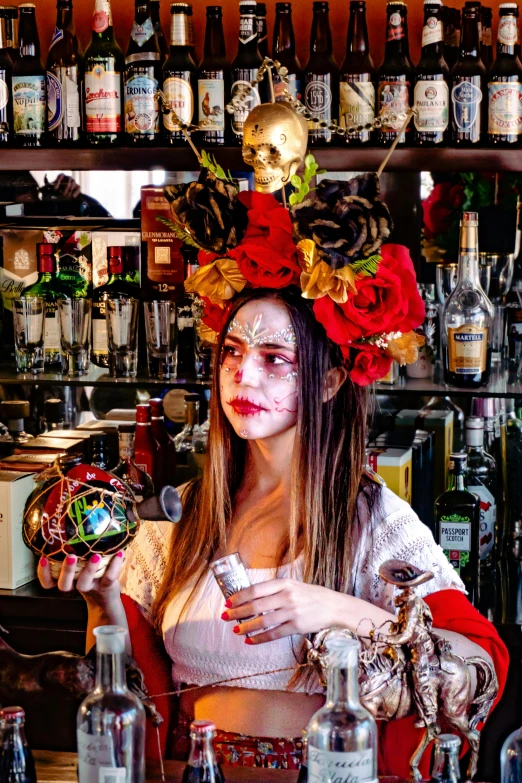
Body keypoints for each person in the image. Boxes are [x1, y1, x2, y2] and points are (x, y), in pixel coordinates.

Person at [37, 174, 508, 777]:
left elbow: (478, 670)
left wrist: (334, 610)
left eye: (274, 359)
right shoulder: (182, 516)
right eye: (231, 352)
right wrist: (102, 599)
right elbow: (124, 691)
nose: (242, 378)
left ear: (332, 380)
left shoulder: (372, 522)